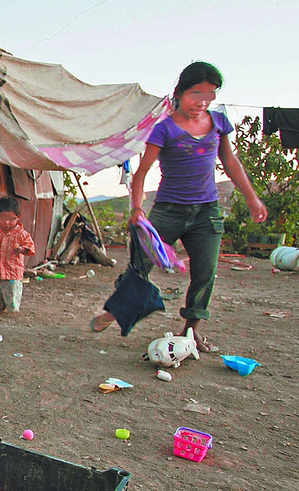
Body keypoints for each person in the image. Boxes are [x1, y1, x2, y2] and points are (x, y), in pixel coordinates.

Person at [90, 61, 267, 351]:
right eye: (196, 94)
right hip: (168, 211)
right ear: (179, 92)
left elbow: (230, 161)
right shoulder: (165, 129)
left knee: (205, 272)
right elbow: (141, 172)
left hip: (206, 212)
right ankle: (118, 309)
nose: (202, 102)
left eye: (209, 95)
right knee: (139, 264)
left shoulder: (218, 123)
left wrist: (251, 197)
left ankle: (191, 329)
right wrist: (136, 209)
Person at [0, 196, 35, 313]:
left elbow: (30, 246)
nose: (6, 222)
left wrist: (21, 249)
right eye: (3, 218)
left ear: (18, 217)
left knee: (11, 294)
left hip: (13, 272)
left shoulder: (21, 233)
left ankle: (10, 309)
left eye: (11, 219)